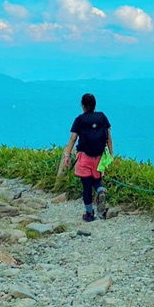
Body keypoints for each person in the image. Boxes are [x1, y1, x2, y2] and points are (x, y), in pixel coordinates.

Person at [63, 93, 113, 221]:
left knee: (86, 186)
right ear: (95, 105)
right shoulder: (102, 117)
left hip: (84, 157)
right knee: (96, 181)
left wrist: (67, 155)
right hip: (99, 157)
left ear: (83, 106)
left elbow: (73, 138)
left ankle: (89, 214)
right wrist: (111, 155)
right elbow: (108, 138)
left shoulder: (80, 120)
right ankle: (101, 190)